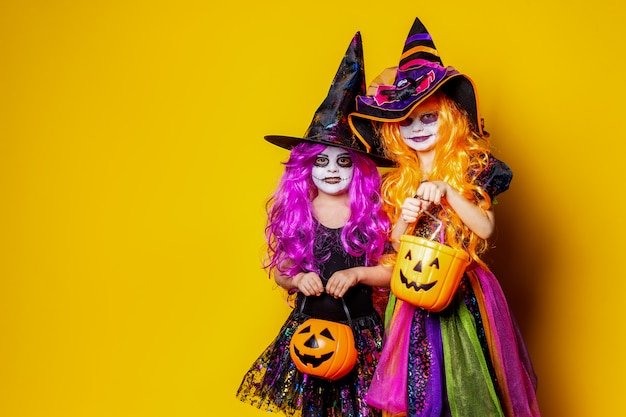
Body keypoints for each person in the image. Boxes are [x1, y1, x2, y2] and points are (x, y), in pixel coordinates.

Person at [348, 18, 541, 417]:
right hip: (410, 296)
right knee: (419, 389)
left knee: (466, 384)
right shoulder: (399, 180)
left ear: (449, 118)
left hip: (462, 293)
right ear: (394, 130)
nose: (417, 129)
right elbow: (395, 247)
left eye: (428, 117)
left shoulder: (472, 168)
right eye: (406, 122)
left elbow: (485, 228)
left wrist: (449, 193)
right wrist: (406, 216)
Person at [236, 32, 394, 417]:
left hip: (360, 331)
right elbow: (282, 272)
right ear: (305, 166)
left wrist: (358, 273)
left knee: (362, 410)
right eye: (321, 162)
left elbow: (394, 273)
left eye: (343, 162)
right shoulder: (299, 213)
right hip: (308, 328)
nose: (332, 171)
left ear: (360, 170)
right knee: (314, 409)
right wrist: (296, 279)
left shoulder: (372, 214)